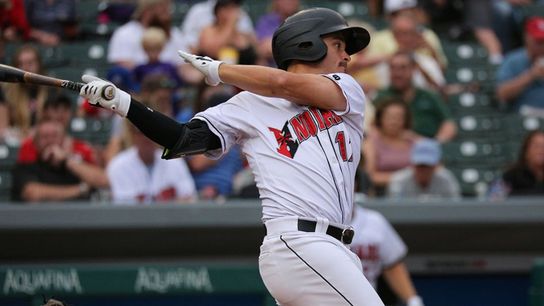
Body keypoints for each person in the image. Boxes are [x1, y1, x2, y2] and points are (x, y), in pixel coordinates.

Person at [79, 7, 384, 305]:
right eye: (338, 45)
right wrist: (125, 103)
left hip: (334, 249)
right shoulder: (248, 105)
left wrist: (218, 70)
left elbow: (282, 83)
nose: (347, 56)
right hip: (300, 243)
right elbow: (183, 139)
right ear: (307, 44)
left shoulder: (347, 90)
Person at [11, 118, 108, 202]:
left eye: (54, 136)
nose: (50, 141)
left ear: (64, 139)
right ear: (35, 142)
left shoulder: (74, 165)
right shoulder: (26, 165)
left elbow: (103, 181)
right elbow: (32, 193)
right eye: (44, 137)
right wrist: (80, 189)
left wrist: (67, 160)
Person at [374, 51, 457, 143]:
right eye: (393, 68)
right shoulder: (381, 96)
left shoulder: (428, 95)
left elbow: (449, 124)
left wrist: (434, 144)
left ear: (413, 69)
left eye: (403, 68)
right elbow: (371, 126)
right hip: (390, 148)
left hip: (426, 149)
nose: (397, 73)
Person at [350, 205, 424, 306]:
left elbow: (392, 266)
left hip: (369, 299)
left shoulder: (374, 221)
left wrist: (413, 300)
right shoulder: (323, 222)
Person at [107, 120, 196, 204]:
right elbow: (121, 208)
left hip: (172, 219)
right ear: (133, 135)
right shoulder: (118, 165)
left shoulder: (175, 162)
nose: (147, 137)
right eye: (142, 132)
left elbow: (190, 198)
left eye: (152, 132)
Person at [107, 0, 186, 70]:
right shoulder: (125, 33)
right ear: (147, 11)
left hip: (169, 83)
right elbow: (122, 65)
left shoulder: (175, 34)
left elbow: (184, 68)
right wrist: (151, 70)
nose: (167, 14)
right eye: (162, 9)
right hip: (135, 84)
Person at [363, 97, 418, 196]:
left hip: (413, 194)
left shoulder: (413, 141)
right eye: (389, 117)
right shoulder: (371, 142)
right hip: (381, 194)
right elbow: (369, 176)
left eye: (399, 117)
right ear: (380, 118)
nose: (394, 121)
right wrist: (401, 178)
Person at [496, 16, 544, 116]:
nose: (542, 46)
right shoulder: (514, 60)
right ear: (527, 37)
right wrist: (531, 75)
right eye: (538, 41)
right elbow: (501, 94)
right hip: (521, 119)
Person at [2, 44, 50, 140]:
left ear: (39, 64)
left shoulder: (50, 89)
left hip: (43, 138)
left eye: (30, 63)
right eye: (21, 64)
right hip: (16, 138)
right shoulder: (6, 90)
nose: (25, 67)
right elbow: (3, 128)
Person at [387, 138, 461, 200]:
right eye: (420, 165)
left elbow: (456, 209)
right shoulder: (400, 180)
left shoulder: (446, 179)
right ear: (412, 164)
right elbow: (395, 210)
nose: (423, 170)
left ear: (436, 166)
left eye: (427, 166)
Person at [198, 0, 257, 66]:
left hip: (243, 74)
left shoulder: (243, 34)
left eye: (234, 7)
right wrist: (230, 25)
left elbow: (257, 53)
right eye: (227, 8)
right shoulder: (208, 30)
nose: (232, 12)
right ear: (218, 11)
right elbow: (212, 50)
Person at [255, 0, 300, 67]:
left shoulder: (306, 20)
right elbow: (263, 49)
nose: (289, 1)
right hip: (272, 68)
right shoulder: (267, 21)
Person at [499, 130, 544, 196]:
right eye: (537, 146)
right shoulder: (511, 177)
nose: (541, 150)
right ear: (526, 151)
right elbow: (495, 200)